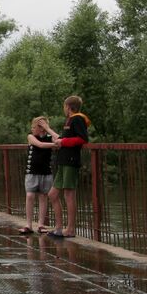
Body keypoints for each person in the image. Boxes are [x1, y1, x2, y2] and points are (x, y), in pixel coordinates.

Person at [47, 96, 91, 238]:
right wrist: (59, 142)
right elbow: (67, 139)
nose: (63, 109)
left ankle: (70, 229)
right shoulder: (70, 120)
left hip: (71, 161)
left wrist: (63, 141)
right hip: (63, 161)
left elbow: (82, 139)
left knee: (69, 194)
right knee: (52, 194)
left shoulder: (78, 119)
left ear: (68, 106)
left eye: (64, 106)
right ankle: (59, 227)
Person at [19, 116, 56, 234]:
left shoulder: (50, 137)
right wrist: (55, 145)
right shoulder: (31, 136)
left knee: (43, 196)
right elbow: (40, 145)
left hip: (46, 172)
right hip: (32, 171)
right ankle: (28, 224)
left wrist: (48, 129)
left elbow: (60, 139)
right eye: (34, 126)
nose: (33, 128)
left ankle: (40, 224)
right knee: (30, 196)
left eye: (35, 126)